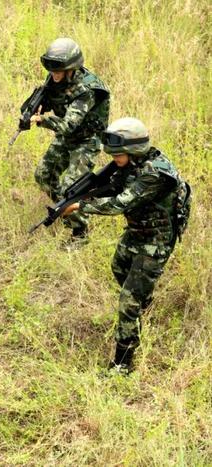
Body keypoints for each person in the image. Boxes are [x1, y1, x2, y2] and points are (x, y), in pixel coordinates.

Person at [61, 118, 191, 374]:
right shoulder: (132, 164)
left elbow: (120, 203)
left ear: (133, 151)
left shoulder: (154, 174)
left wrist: (80, 206)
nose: (114, 159)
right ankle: (145, 302)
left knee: (127, 303)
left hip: (156, 241)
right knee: (118, 267)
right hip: (136, 232)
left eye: (118, 155)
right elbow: (112, 184)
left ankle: (123, 363)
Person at [29, 37, 110, 247]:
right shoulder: (55, 79)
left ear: (71, 69)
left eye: (59, 71)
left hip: (86, 141)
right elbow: (51, 99)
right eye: (52, 70)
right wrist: (37, 107)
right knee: (43, 175)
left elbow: (68, 125)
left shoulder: (87, 90)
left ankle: (80, 232)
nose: (54, 75)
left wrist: (42, 120)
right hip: (67, 138)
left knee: (71, 188)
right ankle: (64, 208)